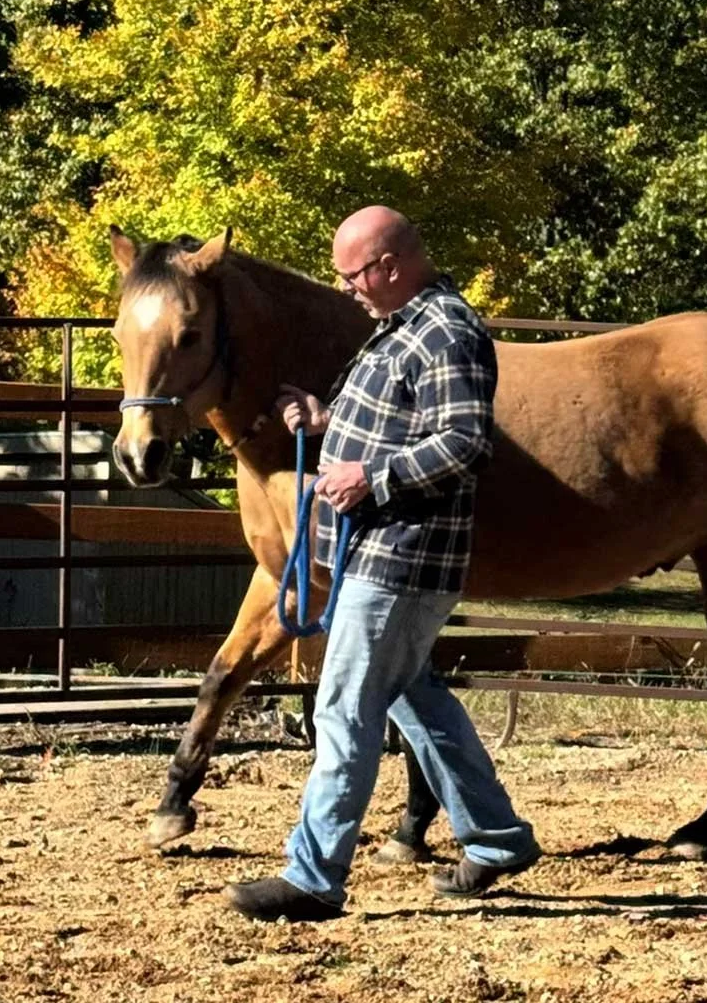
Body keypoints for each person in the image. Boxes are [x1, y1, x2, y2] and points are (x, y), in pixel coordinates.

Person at [222, 206, 541, 921]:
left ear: (390, 266)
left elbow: (465, 442)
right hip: (380, 550)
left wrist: (373, 478)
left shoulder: (447, 331)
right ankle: (497, 838)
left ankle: (313, 876)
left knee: (343, 708)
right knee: (415, 700)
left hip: (403, 556)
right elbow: (400, 419)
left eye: (353, 276)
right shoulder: (402, 325)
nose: (347, 289)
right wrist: (325, 420)